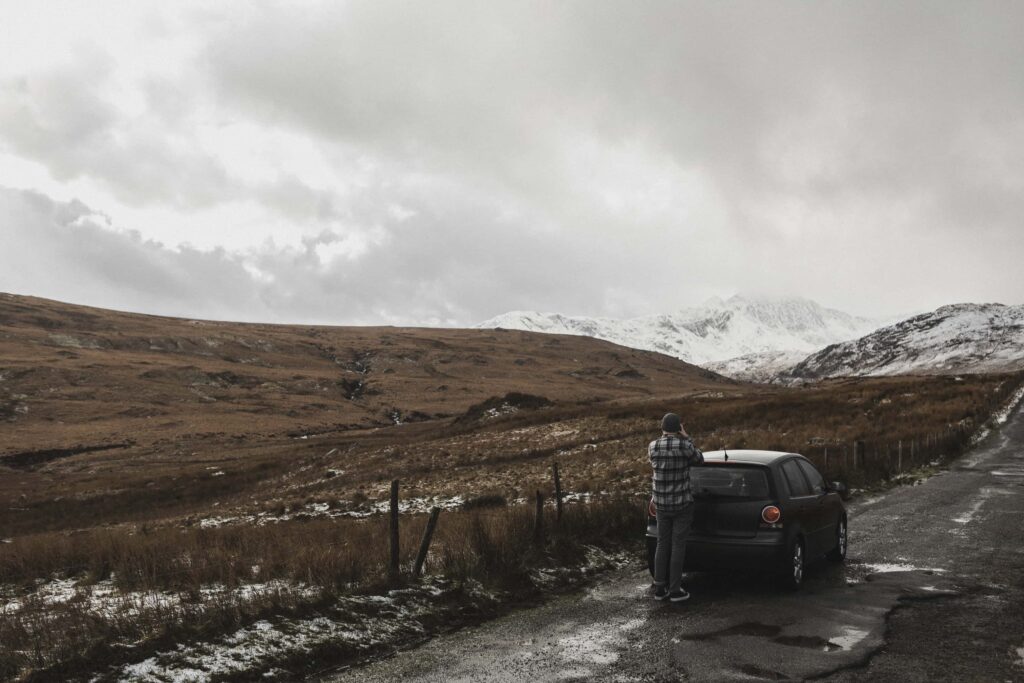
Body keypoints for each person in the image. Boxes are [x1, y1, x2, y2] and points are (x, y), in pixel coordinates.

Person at [649, 412, 704, 602]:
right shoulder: (684, 445)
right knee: (677, 546)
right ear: (678, 427)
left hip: (661, 504)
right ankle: (674, 589)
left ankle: (659, 588)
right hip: (681, 503)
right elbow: (699, 459)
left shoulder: (653, 446)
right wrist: (687, 437)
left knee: (662, 544)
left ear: (662, 427)